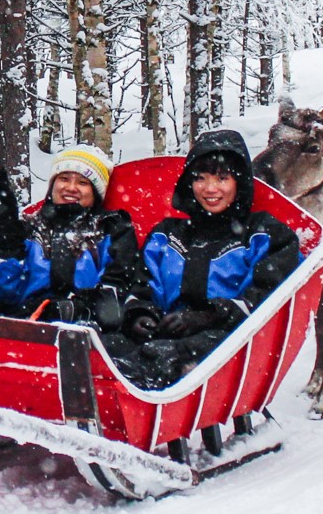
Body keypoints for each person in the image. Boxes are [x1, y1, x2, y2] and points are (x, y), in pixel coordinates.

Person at [105, 130, 302, 389]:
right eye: (200, 178)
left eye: (222, 178)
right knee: (104, 347)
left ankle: (135, 390)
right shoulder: (167, 234)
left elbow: (267, 301)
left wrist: (206, 317)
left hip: (232, 342)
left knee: (168, 356)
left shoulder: (264, 234)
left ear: (238, 183)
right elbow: (142, 285)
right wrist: (141, 315)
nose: (210, 189)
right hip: (164, 334)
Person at [0, 146, 144, 325]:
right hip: (25, 326)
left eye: (83, 182)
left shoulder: (112, 230)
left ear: (95, 192)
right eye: (64, 179)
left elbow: (115, 295)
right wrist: (3, 225)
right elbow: (0, 292)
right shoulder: (28, 229)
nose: (71, 188)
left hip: (90, 333)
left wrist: (75, 308)